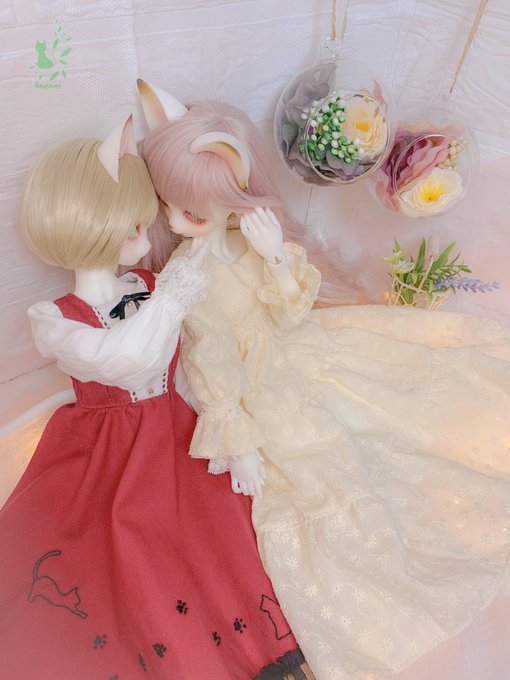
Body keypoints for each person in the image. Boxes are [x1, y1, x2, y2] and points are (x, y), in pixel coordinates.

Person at [138, 80, 510, 680]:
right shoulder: (190, 276)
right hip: (263, 386)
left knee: (401, 405)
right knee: (325, 474)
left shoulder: (245, 239)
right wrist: (236, 434)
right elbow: (211, 361)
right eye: (171, 205)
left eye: (193, 209)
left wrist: (275, 256)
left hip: (302, 348)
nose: (175, 220)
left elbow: (290, 310)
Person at [0, 117, 309, 680]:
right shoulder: (56, 318)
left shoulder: (147, 285)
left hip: (174, 425)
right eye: (137, 221)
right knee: (118, 547)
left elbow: (197, 359)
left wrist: (230, 431)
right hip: (104, 444)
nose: (153, 228)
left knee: (215, 537)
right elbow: (124, 358)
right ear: (97, 225)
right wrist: (176, 288)